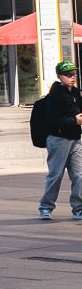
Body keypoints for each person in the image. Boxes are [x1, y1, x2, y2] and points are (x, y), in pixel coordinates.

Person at [38, 60, 82, 221]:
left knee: (79, 175)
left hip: (75, 139)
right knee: (56, 175)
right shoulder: (54, 95)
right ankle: (46, 207)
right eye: (68, 75)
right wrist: (73, 121)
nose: (72, 77)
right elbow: (52, 120)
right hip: (58, 139)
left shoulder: (76, 93)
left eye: (74, 74)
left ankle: (79, 208)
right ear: (59, 76)